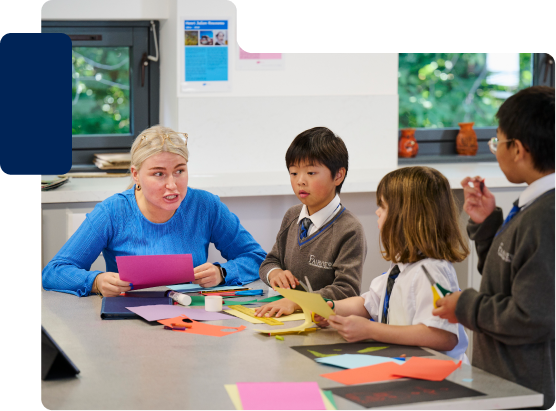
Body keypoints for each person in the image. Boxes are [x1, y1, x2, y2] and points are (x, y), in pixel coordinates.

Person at [433, 86, 556, 409]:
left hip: (528, 387)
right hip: (506, 380)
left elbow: (532, 316)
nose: (495, 150)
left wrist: (465, 306)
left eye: (497, 142)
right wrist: (488, 226)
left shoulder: (546, 217)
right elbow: (507, 279)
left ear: (518, 149)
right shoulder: (534, 205)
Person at [42, 125, 267, 297]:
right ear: (136, 175)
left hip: (191, 318)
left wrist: (223, 273)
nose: (172, 184)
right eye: (159, 174)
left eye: (179, 171)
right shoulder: (113, 211)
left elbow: (257, 259)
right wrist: (96, 282)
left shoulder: (206, 205)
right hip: (128, 322)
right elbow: (54, 272)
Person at [315, 166, 470, 362]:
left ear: (407, 216)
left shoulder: (432, 271)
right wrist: (331, 308)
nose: (377, 212)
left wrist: (371, 330)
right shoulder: (402, 266)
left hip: (442, 376)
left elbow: (443, 336)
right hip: (407, 366)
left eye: (383, 206)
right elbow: (370, 302)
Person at [254, 127, 367, 318]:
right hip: (285, 317)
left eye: (311, 173)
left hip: (324, 325)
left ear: (338, 176)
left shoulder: (350, 229)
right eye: (294, 173)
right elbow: (270, 262)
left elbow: (346, 290)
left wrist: (297, 301)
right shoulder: (292, 215)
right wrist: (274, 273)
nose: (300, 181)